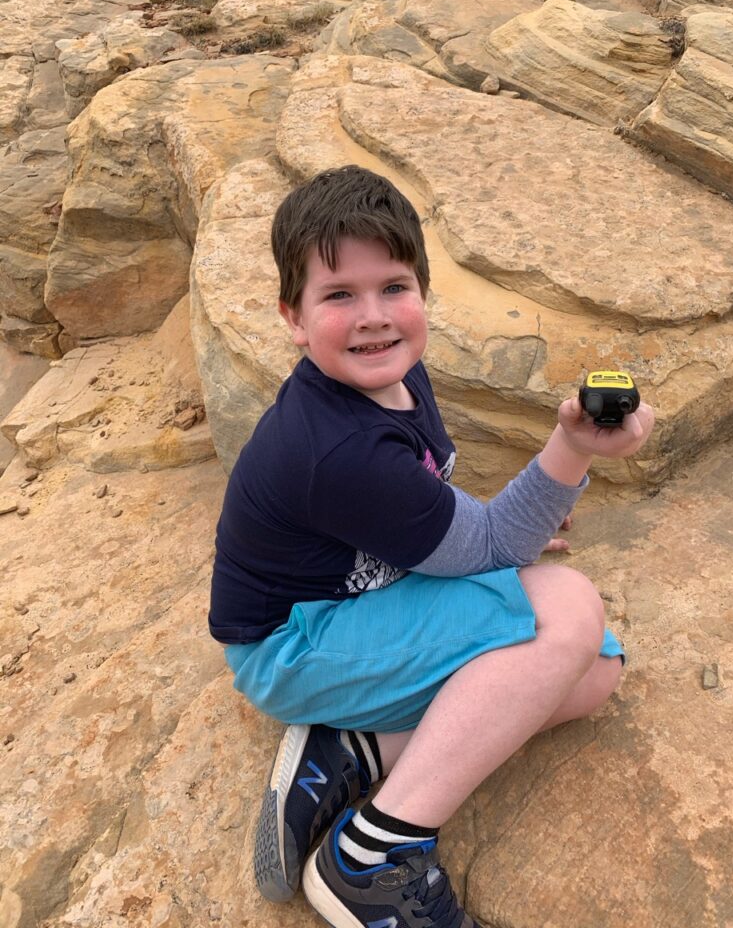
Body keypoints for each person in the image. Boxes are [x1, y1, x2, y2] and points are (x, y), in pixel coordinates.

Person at [209, 165, 655, 928]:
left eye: (393, 287)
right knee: (570, 609)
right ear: (292, 316)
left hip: (358, 604)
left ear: (422, 289)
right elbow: (489, 541)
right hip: (295, 644)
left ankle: (353, 752)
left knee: (595, 672)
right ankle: (372, 855)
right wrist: (571, 447)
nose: (373, 316)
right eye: (339, 295)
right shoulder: (337, 451)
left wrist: (486, 539)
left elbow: (442, 516)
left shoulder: (395, 379)